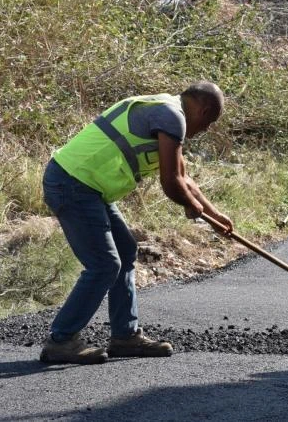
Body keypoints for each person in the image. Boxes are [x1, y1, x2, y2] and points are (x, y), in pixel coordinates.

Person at [38, 82, 234, 365]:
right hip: (72, 183)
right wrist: (190, 205)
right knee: (104, 265)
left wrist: (214, 216)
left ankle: (125, 336)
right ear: (204, 111)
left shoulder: (168, 110)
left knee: (125, 251)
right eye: (210, 123)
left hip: (89, 187)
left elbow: (183, 177)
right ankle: (61, 340)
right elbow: (171, 182)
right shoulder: (171, 116)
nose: (206, 129)